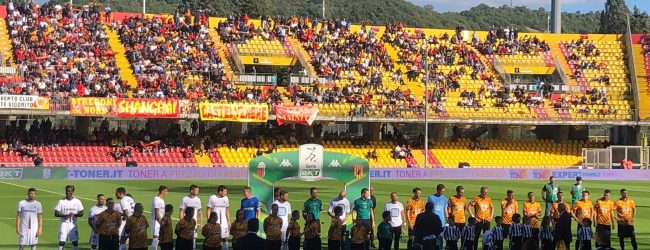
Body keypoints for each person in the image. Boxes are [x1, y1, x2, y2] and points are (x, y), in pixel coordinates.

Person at [55, 185, 84, 250]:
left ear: (73, 191)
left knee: (75, 242)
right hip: (64, 224)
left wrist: (74, 215)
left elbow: (81, 213)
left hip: (73, 224)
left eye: (69, 191)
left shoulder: (77, 201)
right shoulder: (61, 201)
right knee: (61, 242)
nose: (68, 192)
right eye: (66, 191)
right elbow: (56, 213)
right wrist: (66, 215)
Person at [207, 185, 231, 250]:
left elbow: (227, 210)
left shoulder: (226, 198)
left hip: (224, 222)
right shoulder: (212, 198)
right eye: (225, 191)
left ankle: (225, 248)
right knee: (215, 236)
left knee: (225, 237)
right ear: (220, 192)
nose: (226, 193)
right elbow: (208, 209)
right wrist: (209, 220)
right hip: (215, 222)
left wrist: (228, 221)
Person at [180, 184, 203, 249]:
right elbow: (181, 211)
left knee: (194, 238)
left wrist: (201, 224)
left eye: (198, 190)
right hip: (186, 222)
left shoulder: (198, 199)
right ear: (192, 191)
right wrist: (182, 222)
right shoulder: (185, 199)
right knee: (186, 238)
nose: (198, 192)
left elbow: (200, 212)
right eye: (197, 190)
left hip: (194, 222)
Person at [427, 184, 447, 249]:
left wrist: (447, 219)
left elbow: (445, 210)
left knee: (440, 238)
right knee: (432, 237)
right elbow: (428, 209)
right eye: (441, 191)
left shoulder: (444, 198)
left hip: (441, 221)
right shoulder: (431, 197)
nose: (442, 193)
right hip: (432, 221)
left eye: (443, 191)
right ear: (437, 190)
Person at [151, 185, 167, 250]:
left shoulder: (162, 200)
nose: (167, 193)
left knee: (159, 239)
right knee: (156, 238)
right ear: (162, 191)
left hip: (160, 222)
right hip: (156, 222)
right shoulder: (156, 199)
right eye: (166, 191)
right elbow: (157, 213)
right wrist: (161, 223)